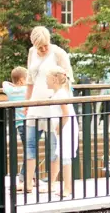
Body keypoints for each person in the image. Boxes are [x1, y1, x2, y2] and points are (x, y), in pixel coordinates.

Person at [24, 26, 74, 194]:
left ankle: (52, 183)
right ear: (34, 44)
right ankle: (28, 182)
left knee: (54, 146)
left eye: (45, 45)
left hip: (53, 106)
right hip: (35, 103)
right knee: (30, 143)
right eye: (40, 46)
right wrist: (26, 103)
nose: (43, 49)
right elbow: (30, 81)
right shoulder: (31, 53)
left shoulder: (59, 53)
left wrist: (64, 105)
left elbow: (68, 81)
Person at [47, 66, 79, 199]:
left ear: (54, 79)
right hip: (62, 128)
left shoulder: (61, 94)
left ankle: (68, 188)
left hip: (65, 128)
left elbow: (65, 113)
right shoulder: (58, 92)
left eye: (47, 78)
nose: (45, 81)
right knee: (62, 156)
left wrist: (59, 127)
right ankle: (62, 186)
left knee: (65, 158)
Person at [2, 67, 28, 189]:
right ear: (22, 80)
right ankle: (24, 178)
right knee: (30, 151)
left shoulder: (10, 91)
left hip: (20, 125)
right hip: (31, 122)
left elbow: (4, 84)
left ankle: (29, 177)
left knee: (29, 150)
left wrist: (12, 84)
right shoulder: (27, 90)